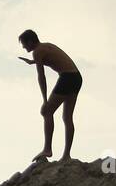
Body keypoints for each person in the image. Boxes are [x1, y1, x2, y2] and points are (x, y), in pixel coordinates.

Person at [18, 29, 82, 162]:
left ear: (30, 41)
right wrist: (33, 62)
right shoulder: (45, 46)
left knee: (46, 111)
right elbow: (54, 57)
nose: (23, 47)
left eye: (24, 44)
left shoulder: (37, 52)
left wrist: (45, 100)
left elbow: (41, 77)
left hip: (67, 78)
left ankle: (47, 149)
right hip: (76, 77)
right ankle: (66, 156)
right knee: (67, 117)